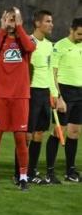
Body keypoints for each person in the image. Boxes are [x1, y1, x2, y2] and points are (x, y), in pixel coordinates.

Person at [0, 7, 36, 191]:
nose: (11, 22)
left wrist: (20, 27)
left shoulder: (26, 40)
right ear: (3, 20)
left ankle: (23, 177)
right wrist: (2, 28)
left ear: (20, 20)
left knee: (21, 139)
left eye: (14, 19)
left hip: (20, 97)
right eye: (8, 19)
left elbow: (30, 48)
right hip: (0, 96)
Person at [14, 10, 56, 184]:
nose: (51, 24)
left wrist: (54, 94)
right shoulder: (28, 42)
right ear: (38, 23)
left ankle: (31, 172)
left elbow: (49, 71)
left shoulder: (49, 45)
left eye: (51, 21)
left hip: (44, 93)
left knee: (39, 134)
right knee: (26, 135)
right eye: (48, 21)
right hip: (30, 93)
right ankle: (19, 173)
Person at [45, 17, 82, 183]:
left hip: (80, 93)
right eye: (79, 33)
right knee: (58, 131)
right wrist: (58, 96)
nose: (81, 37)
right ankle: (50, 172)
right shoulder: (59, 46)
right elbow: (52, 72)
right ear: (71, 30)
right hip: (64, 93)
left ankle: (70, 171)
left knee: (75, 132)